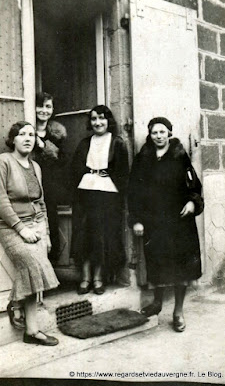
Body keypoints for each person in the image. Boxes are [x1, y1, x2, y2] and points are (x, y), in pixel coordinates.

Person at [128, 117, 204, 332]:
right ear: (150, 135)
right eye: (154, 133)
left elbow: (194, 185)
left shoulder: (180, 156)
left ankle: (178, 311)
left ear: (169, 133)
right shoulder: (143, 158)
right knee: (158, 263)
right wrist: (137, 220)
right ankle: (157, 303)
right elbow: (133, 192)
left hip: (180, 221)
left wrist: (192, 202)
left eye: (163, 132)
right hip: (154, 222)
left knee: (182, 267)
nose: (159, 136)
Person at [0, 121, 59, 345]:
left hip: (37, 225)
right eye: (22, 134)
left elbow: (41, 203)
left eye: (32, 135)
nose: (27, 138)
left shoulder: (36, 167)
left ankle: (31, 330)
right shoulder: (3, 161)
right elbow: (1, 201)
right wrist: (21, 229)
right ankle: (16, 304)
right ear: (12, 139)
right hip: (11, 227)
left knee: (34, 272)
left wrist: (47, 233)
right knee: (35, 266)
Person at [71, 105, 129, 295]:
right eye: (94, 119)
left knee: (102, 235)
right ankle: (85, 277)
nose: (98, 122)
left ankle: (98, 278)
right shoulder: (85, 143)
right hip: (86, 193)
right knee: (84, 234)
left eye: (102, 118)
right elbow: (75, 170)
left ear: (108, 121)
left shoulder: (117, 143)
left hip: (108, 194)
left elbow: (122, 174)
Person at [33, 92, 67, 263]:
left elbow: (62, 161)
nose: (44, 110)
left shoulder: (57, 134)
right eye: (40, 106)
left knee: (51, 225)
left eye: (48, 106)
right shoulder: (26, 131)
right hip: (30, 183)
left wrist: (43, 145)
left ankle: (50, 269)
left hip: (50, 185)